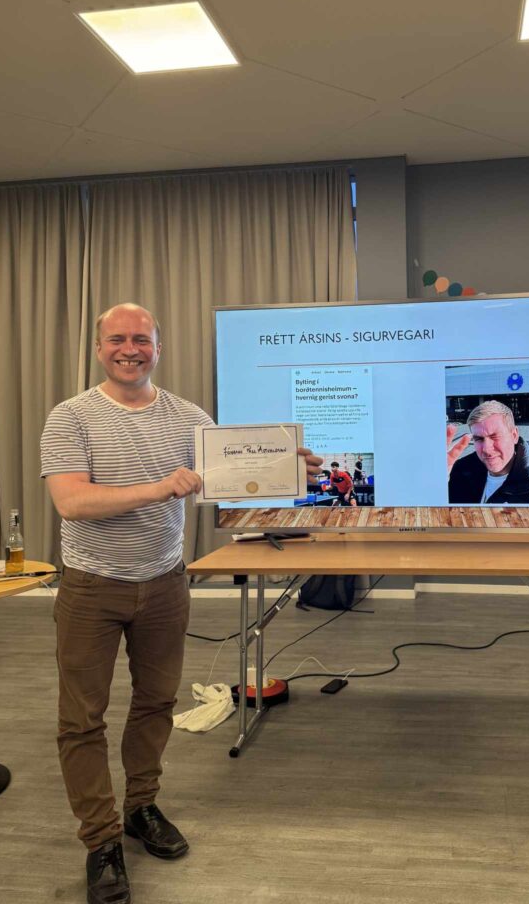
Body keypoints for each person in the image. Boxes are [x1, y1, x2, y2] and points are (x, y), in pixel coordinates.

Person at [40, 303, 320, 904]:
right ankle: (101, 840)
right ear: (99, 348)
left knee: (157, 703)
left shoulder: (190, 418)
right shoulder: (71, 417)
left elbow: (227, 478)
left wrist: (288, 469)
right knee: (82, 720)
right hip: (90, 587)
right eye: (118, 339)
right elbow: (72, 502)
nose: (130, 349)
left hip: (166, 585)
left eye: (142, 339)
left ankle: (141, 807)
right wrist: (161, 487)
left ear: (158, 349)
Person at [447, 400, 529, 505]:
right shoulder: (458, 472)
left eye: (495, 436)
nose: (486, 449)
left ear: (514, 436)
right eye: (479, 439)